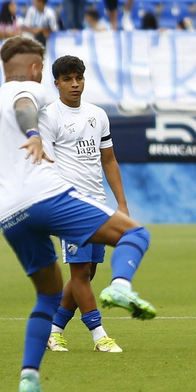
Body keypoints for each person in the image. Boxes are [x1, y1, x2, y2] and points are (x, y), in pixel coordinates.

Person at [0, 35, 154, 392]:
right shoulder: (29, 91)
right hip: (46, 197)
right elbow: (24, 105)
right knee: (135, 232)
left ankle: (29, 378)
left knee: (49, 295)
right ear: (36, 68)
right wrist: (33, 134)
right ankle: (121, 287)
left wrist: (11, 189)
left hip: (9, 214)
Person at [38, 55, 131, 355]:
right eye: (68, 79)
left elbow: (109, 160)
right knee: (80, 274)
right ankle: (99, 335)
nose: (75, 84)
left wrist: (121, 203)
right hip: (70, 206)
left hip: (98, 205)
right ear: (57, 83)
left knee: (87, 273)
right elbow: (44, 163)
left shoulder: (97, 115)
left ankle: (53, 331)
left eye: (79, 78)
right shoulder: (49, 117)